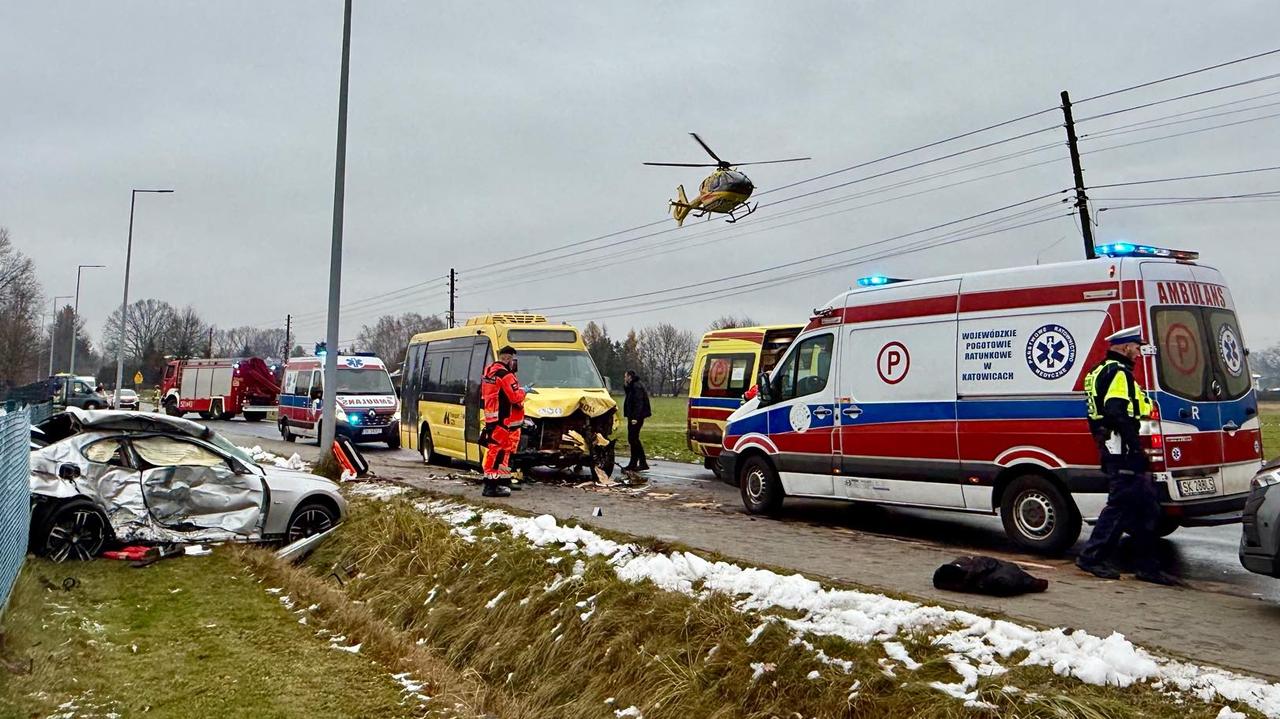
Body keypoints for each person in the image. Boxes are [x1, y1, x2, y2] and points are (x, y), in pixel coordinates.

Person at [1075, 326, 1179, 586]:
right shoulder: (1118, 373)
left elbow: (1098, 413)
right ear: (1123, 347)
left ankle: (1147, 566)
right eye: (1136, 347)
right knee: (1121, 504)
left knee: (1145, 507)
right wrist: (1135, 447)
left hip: (1113, 446)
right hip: (1122, 449)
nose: (1139, 352)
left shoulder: (1098, 371)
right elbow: (1116, 410)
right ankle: (1092, 557)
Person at [480, 345, 526, 498]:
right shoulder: (505, 375)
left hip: (492, 418)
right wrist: (523, 391)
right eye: (513, 359)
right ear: (508, 358)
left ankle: (502, 482)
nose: (514, 363)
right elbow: (514, 397)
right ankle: (492, 486)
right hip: (503, 419)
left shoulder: (489, 371)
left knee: (498, 451)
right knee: (499, 453)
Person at [622, 369, 651, 472]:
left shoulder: (636, 386)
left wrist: (635, 418)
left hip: (636, 417)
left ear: (630, 377)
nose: (624, 378)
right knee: (632, 439)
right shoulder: (633, 386)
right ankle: (633, 463)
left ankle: (642, 462)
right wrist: (626, 385)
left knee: (633, 439)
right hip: (633, 416)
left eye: (625, 376)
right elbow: (629, 395)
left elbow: (639, 403)